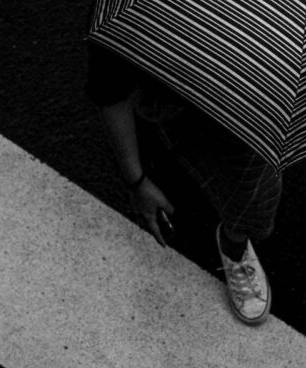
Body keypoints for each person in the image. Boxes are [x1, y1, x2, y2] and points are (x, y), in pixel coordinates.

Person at [85, 37, 282, 326]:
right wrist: (136, 181)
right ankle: (235, 241)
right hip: (177, 92)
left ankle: (235, 242)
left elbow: (110, 89)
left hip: (238, 93)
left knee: (252, 180)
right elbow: (109, 89)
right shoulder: (133, 23)